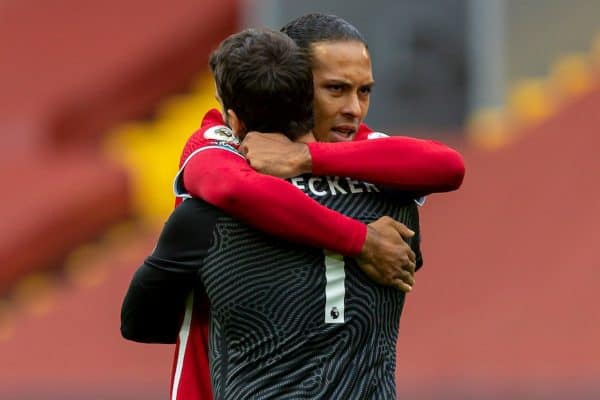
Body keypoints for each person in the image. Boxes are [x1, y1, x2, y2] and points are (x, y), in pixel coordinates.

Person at [122, 14, 464, 400]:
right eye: (336, 89)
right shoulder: (226, 147)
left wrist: (305, 157)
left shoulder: (352, 154)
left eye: (364, 91)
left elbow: (448, 165)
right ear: (297, 88)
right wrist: (362, 240)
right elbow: (232, 186)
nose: (355, 108)